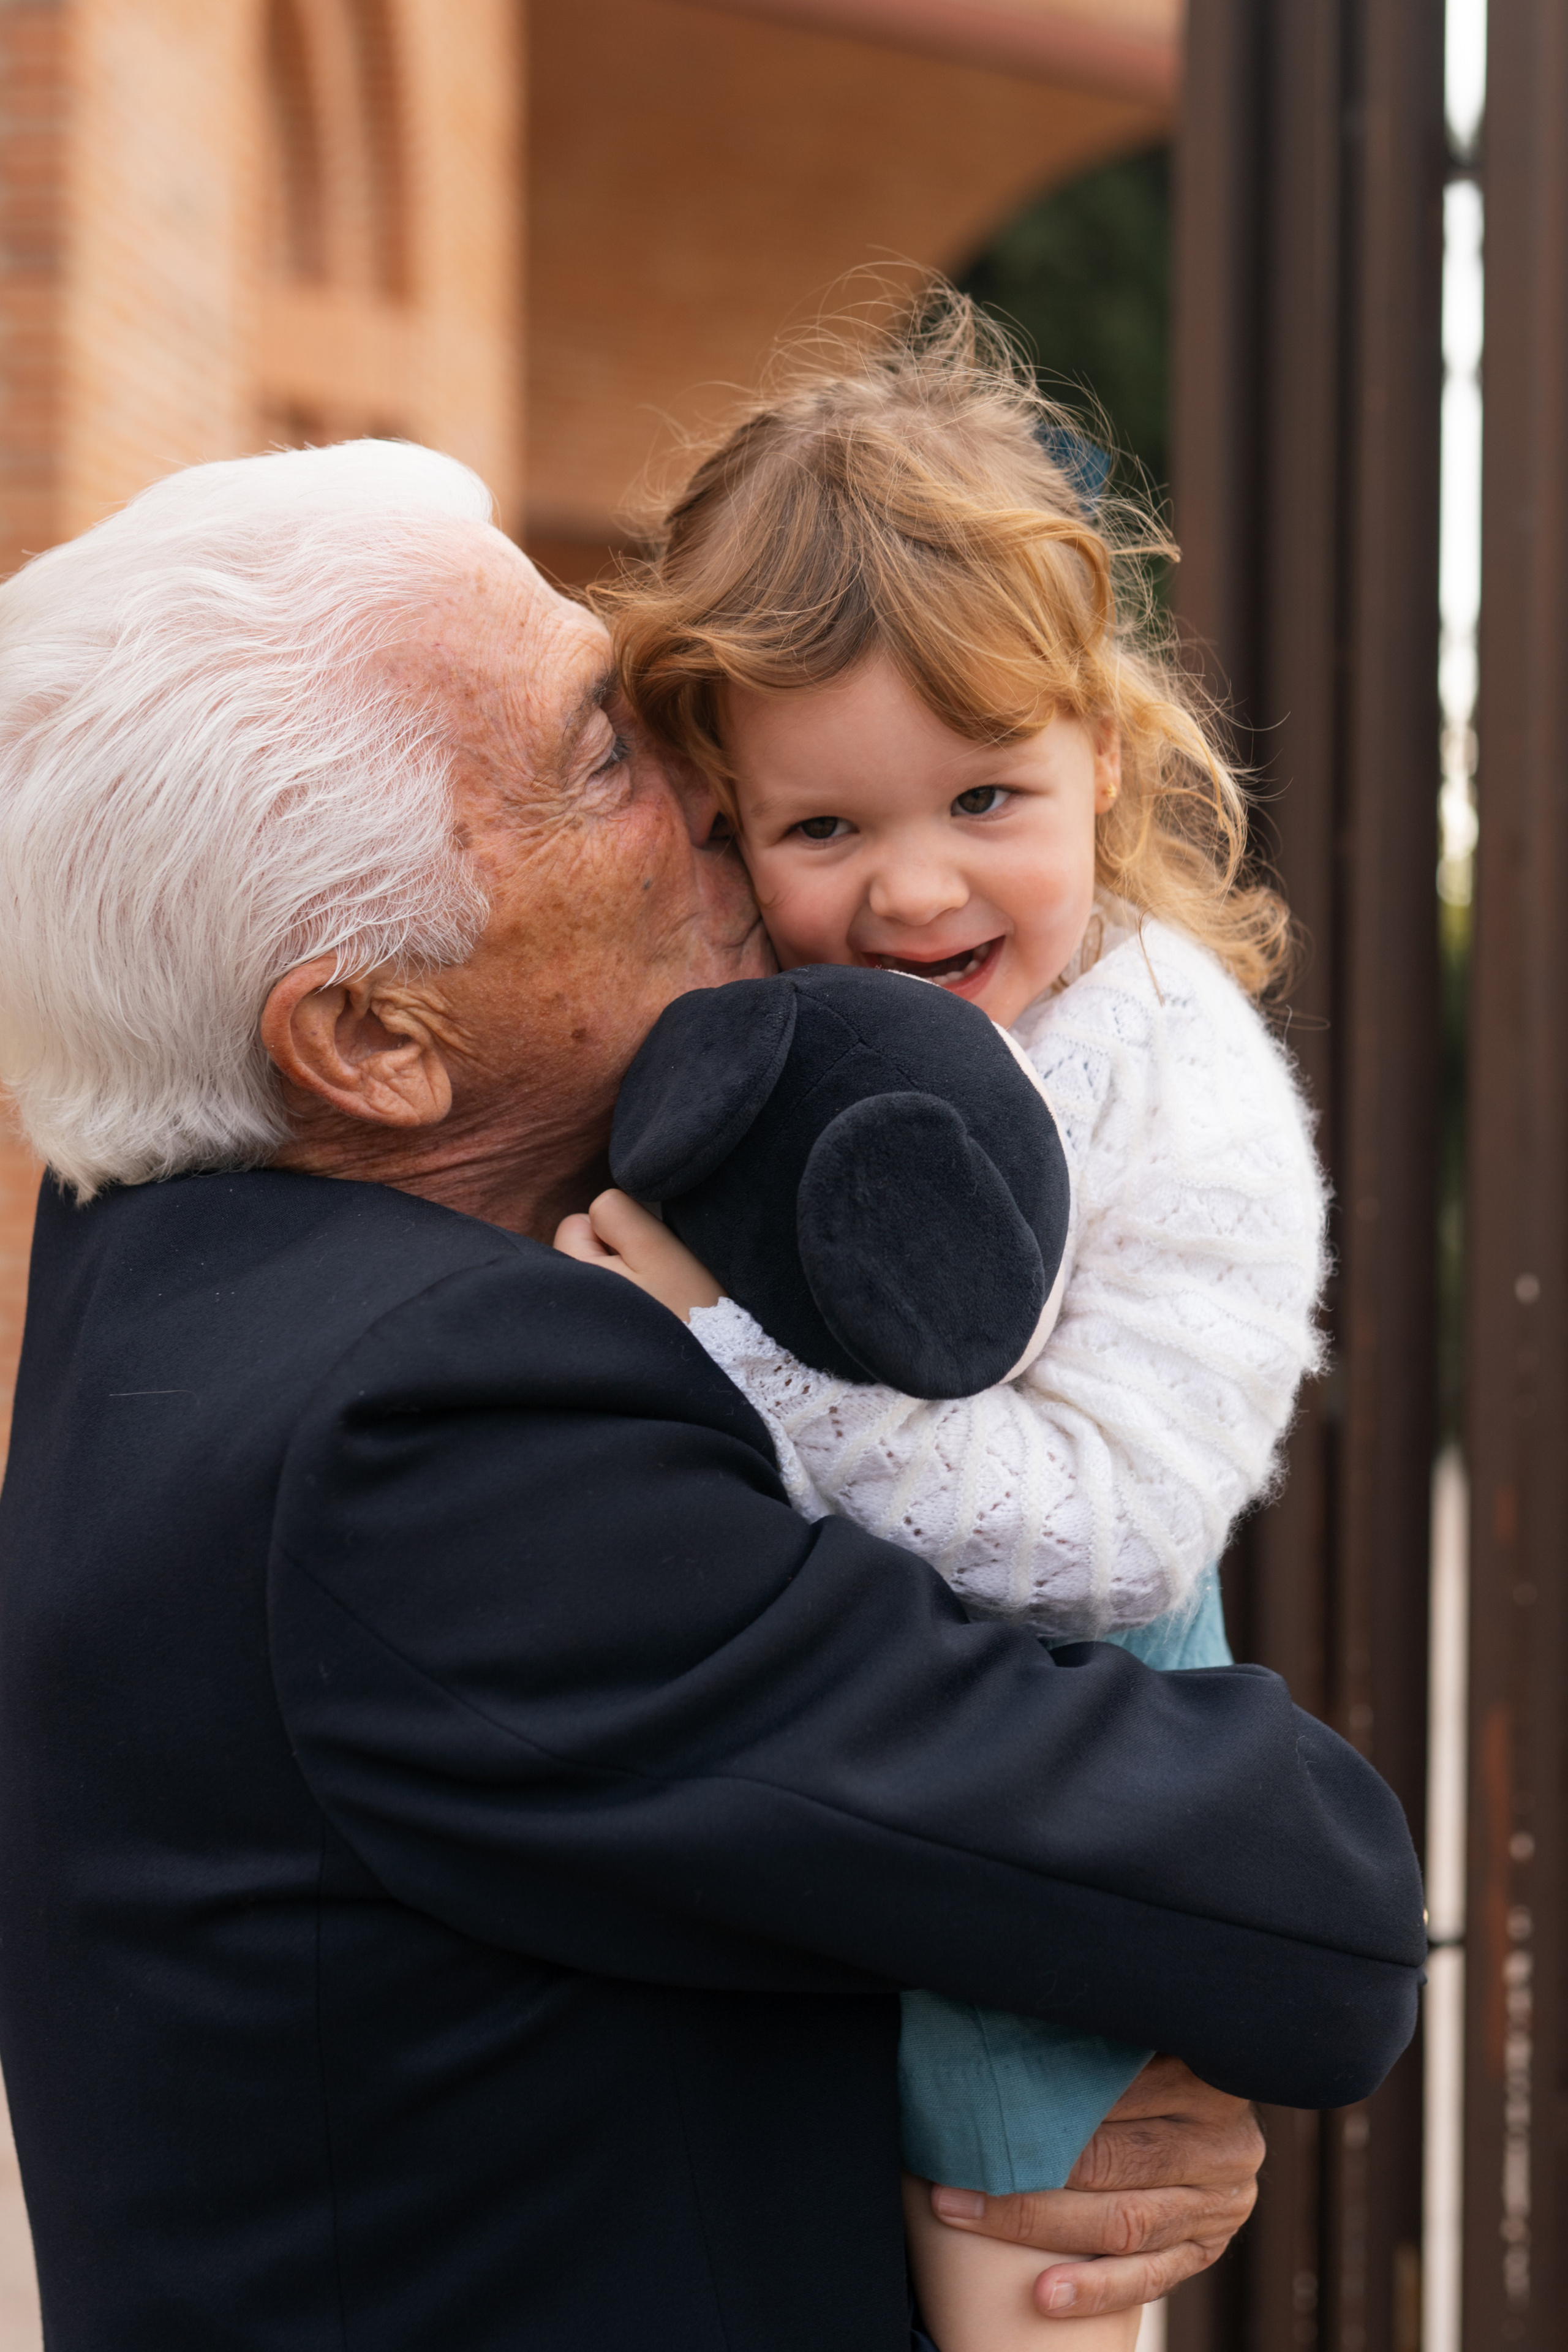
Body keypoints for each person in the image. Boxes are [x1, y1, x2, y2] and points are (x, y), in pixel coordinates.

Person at [0, 439, 1423, 2352]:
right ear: (368, 1037)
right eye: (606, 750)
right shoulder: (428, 1436)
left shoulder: (154, 1233)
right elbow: (1304, 1905)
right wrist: (1118, 2061)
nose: (711, 781)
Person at [559, 302, 1325, 2352]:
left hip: (1031, 1743)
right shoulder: (728, 1030)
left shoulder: (1171, 1078)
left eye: (987, 796)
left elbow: (1121, 1547)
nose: (912, 889)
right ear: (720, 819)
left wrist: (734, 1370)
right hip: (792, 1782)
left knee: (1027, 2273)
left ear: (1111, 755)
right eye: (827, 829)